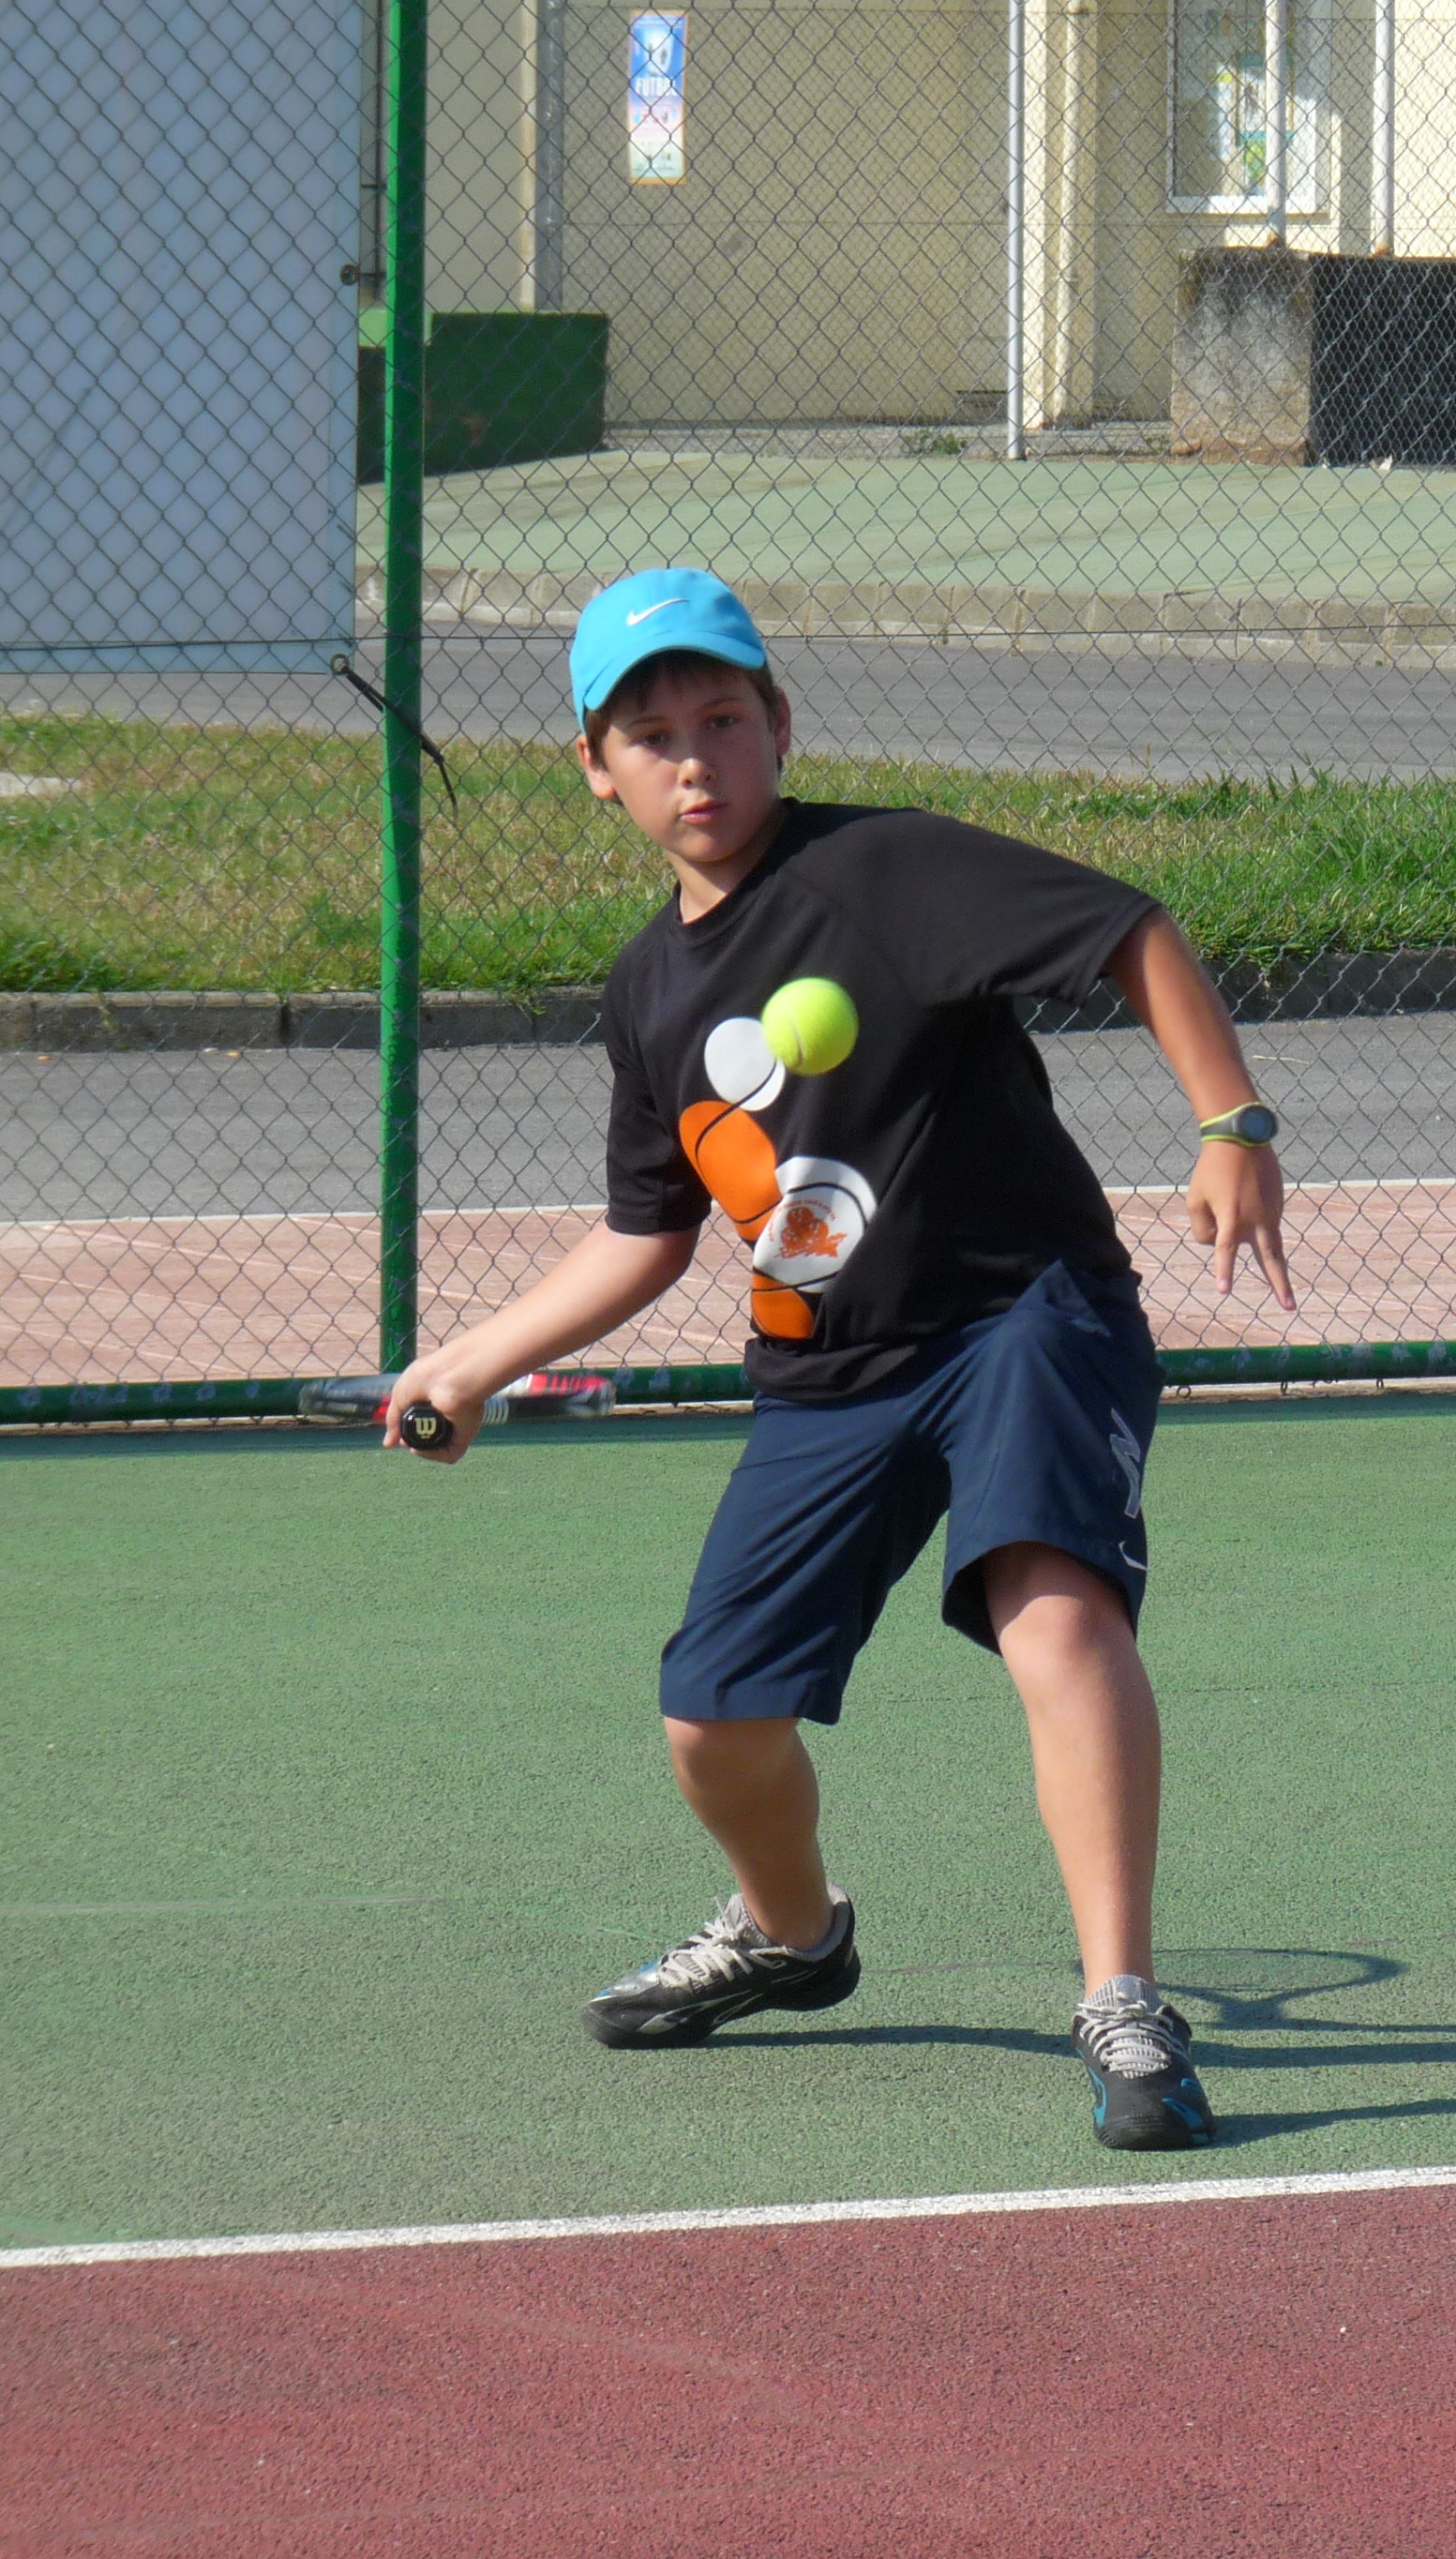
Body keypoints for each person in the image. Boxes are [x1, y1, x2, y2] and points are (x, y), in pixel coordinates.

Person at [386, 567, 1292, 2152]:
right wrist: (473, 1364)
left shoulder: (882, 871)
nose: (697, 760)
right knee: (713, 1722)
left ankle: (1124, 2001)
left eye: (724, 718)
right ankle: (793, 1936)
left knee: (1055, 1609)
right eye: (652, 736)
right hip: (830, 1377)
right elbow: (646, 1235)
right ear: (596, 769)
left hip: (1024, 1313)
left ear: (780, 725)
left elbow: (1129, 929)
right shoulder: (648, 990)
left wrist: (1231, 1122)